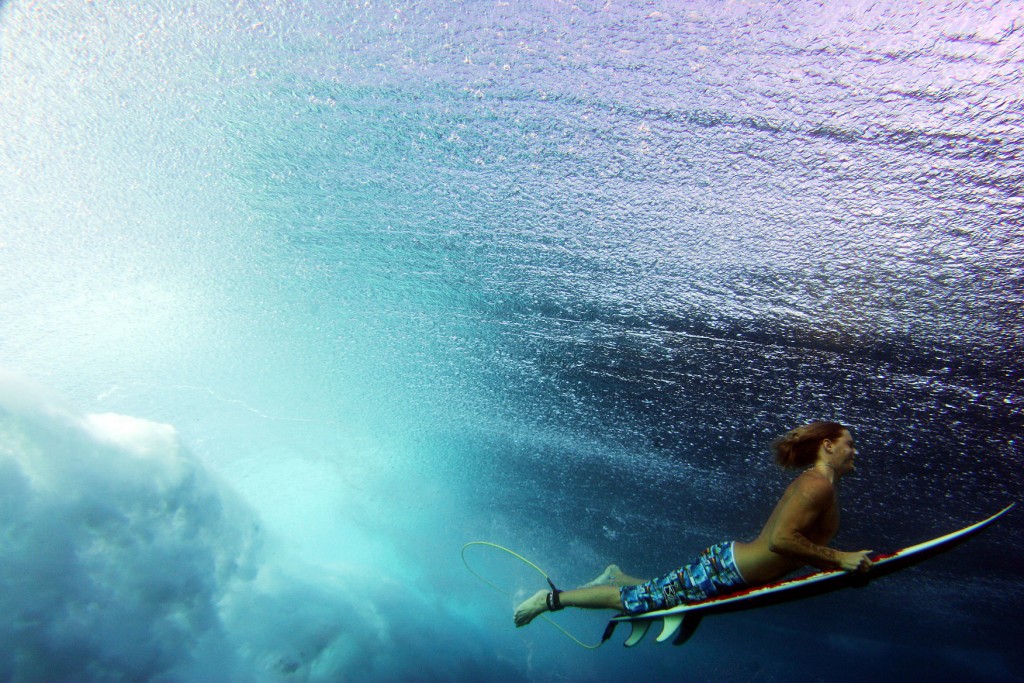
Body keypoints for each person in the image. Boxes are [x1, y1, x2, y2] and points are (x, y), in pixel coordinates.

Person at [514, 421, 874, 627]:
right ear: (827, 446)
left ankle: (618, 574)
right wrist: (839, 559)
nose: (855, 451)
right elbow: (782, 540)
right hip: (723, 573)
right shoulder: (817, 484)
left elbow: (800, 544)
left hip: (728, 571)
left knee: (659, 593)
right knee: (629, 603)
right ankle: (548, 600)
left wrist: (836, 564)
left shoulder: (825, 487)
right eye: (850, 444)